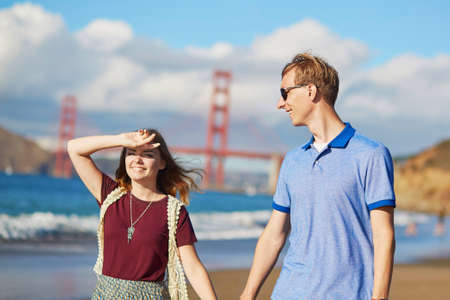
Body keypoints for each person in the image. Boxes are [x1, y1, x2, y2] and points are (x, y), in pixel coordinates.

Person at [241, 53, 396, 300]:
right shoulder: (292, 160)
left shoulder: (371, 155)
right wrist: (247, 294)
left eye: (285, 93)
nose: (280, 104)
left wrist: (379, 297)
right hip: (288, 293)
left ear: (310, 91)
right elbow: (275, 234)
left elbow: (383, 235)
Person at [67, 129, 216, 300]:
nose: (137, 159)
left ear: (162, 163)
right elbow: (74, 149)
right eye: (131, 152)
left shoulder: (173, 211)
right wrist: (121, 139)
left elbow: (193, 267)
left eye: (147, 154)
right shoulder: (110, 195)